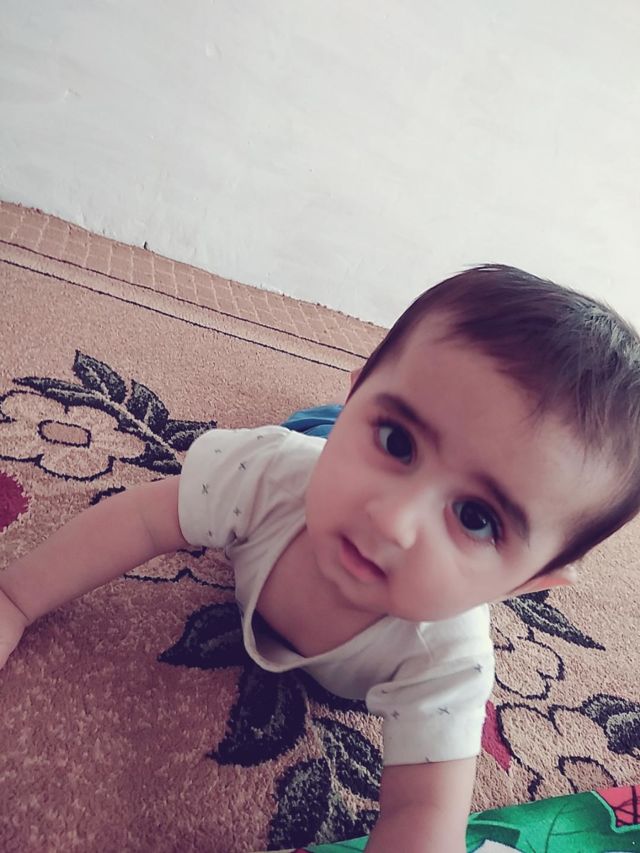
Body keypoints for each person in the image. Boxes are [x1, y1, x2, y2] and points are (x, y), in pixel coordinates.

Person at [1, 264, 639, 851]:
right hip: (312, 443)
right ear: (361, 390)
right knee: (311, 428)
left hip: (343, 442)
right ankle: (339, 419)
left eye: (476, 517)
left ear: (529, 582)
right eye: (398, 439)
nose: (392, 520)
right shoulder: (265, 474)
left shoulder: (448, 662)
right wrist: (16, 597)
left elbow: (422, 813)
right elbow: (143, 518)